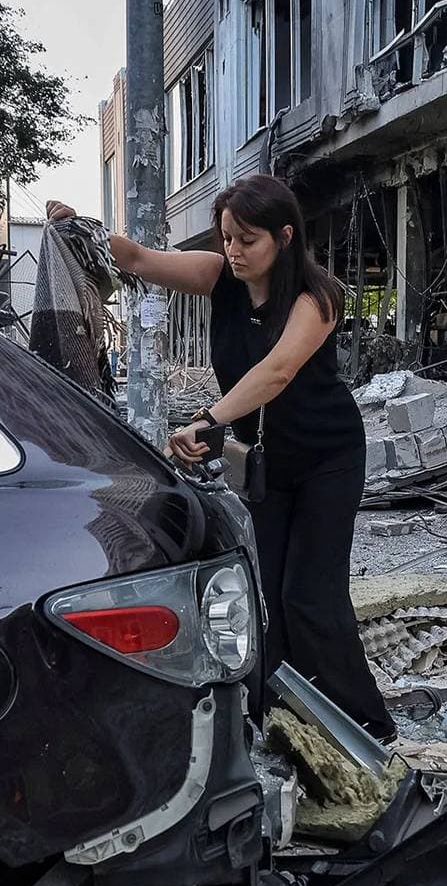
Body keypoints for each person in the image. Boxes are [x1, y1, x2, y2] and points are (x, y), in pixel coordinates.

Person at [45, 175, 398, 739]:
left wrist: (210, 419)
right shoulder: (218, 277)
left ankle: (368, 724)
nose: (232, 251)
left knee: (310, 594)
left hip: (328, 458)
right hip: (269, 463)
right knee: (268, 600)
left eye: (247, 240)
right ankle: (288, 722)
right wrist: (78, 227)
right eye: (227, 237)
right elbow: (136, 258)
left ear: (284, 237)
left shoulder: (318, 296)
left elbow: (276, 372)